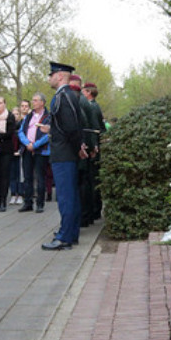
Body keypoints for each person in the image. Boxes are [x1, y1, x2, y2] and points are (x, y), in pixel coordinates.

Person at [42, 61, 86, 251]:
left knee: (66, 197)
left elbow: (70, 128)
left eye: (51, 74)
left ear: (60, 76)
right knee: (70, 196)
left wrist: (78, 147)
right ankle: (70, 233)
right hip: (66, 152)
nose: (49, 78)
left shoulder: (63, 97)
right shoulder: (68, 96)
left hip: (64, 154)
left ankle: (65, 237)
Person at [17, 93, 50, 213]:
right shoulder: (28, 116)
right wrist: (27, 143)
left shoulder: (48, 117)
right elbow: (20, 131)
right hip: (27, 149)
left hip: (41, 150)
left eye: (36, 100)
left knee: (40, 177)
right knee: (27, 177)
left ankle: (40, 203)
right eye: (33, 100)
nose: (33, 102)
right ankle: (28, 202)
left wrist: (35, 145)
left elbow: (48, 135)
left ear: (42, 102)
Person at [81, 81, 106, 226]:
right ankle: (94, 210)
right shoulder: (94, 106)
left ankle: (94, 210)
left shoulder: (92, 107)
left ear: (88, 92)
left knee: (92, 181)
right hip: (95, 147)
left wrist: (93, 146)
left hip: (93, 149)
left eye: (84, 91)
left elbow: (95, 128)